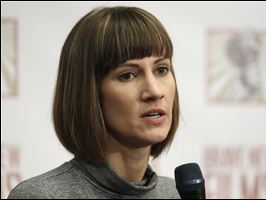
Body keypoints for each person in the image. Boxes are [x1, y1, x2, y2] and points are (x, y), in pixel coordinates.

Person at [8, 6, 180, 199]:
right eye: (127, 75)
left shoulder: (176, 193)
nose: (155, 91)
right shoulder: (40, 196)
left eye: (161, 70)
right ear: (88, 93)